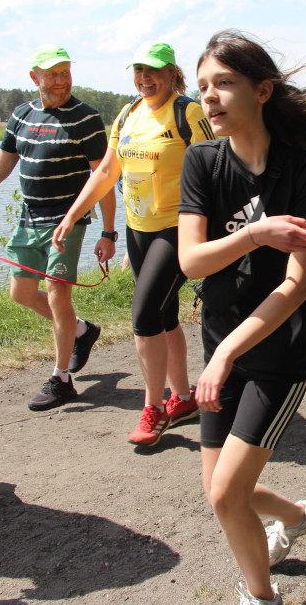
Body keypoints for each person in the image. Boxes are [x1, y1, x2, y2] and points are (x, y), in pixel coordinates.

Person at [178, 30, 306, 605]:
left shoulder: (304, 172)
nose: (209, 98)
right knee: (220, 490)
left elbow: (296, 286)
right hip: (223, 340)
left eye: (224, 84)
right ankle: (296, 515)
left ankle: (260, 597)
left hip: (278, 352)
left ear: (263, 91)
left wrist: (226, 354)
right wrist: (257, 232)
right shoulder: (202, 162)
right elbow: (192, 261)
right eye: (202, 88)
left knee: (224, 496)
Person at [0, 45, 112, 411]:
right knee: (21, 294)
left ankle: (61, 379)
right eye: (53, 74)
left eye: (65, 72)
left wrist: (108, 233)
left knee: (58, 293)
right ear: (35, 77)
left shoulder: (85, 118)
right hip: (30, 220)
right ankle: (80, 330)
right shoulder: (21, 115)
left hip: (67, 221)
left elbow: (104, 177)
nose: (61, 81)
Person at [54, 42, 215, 446]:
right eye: (138, 70)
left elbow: (217, 165)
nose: (145, 78)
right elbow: (109, 170)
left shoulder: (187, 112)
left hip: (178, 228)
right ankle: (181, 397)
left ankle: (154, 408)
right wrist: (74, 214)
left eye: (153, 71)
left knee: (143, 315)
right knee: (163, 317)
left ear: (171, 72)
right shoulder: (128, 114)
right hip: (138, 228)